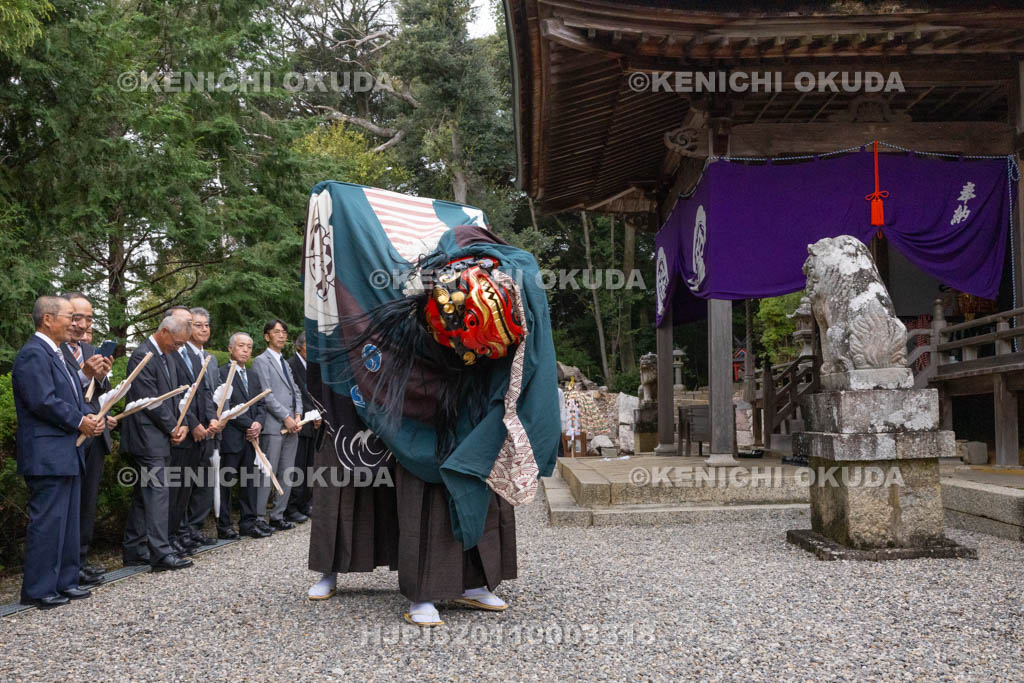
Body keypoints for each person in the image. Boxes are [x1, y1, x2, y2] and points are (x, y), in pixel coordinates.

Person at [301, 182, 559, 627]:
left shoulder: (503, 267)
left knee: (474, 483)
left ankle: (476, 583)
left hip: (467, 404)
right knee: (391, 488)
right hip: (417, 408)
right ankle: (419, 592)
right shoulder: (421, 287)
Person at [13, 295, 108, 609]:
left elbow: (71, 396)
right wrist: (80, 421)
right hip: (47, 453)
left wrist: (90, 416)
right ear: (48, 319)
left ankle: (66, 581)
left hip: (66, 452)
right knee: (49, 522)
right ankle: (39, 589)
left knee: (68, 522)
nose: (76, 323)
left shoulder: (56, 353)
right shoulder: (33, 353)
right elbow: (43, 400)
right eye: (70, 316)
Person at [120, 315, 194, 572]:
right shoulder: (142, 355)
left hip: (161, 435)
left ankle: (134, 549)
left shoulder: (168, 355)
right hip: (146, 437)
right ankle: (160, 554)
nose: (178, 347)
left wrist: (183, 423)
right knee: (158, 492)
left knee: (146, 494)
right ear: (163, 332)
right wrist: (173, 426)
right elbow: (149, 400)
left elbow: (176, 396)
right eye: (177, 342)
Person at [60, 292, 113, 587]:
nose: (82, 325)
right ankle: (67, 565)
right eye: (77, 317)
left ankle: (81, 558)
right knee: (70, 503)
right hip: (71, 436)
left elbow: (99, 392)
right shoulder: (56, 350)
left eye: (88, 319)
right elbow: (60, 394)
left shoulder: (90, 349)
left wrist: (102, 376)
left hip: (96, 434)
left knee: (88, 500)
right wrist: (84, 373)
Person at [252, 319, 302, 531]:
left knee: (287, 472)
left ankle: (277, 515)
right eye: (276, 332)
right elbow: (266, 395)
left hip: (293, 426)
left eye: (284, 332)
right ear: (267, 336)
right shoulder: (261, 361)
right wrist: (285, 417)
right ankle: (258, 518)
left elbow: (295, 390)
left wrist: (298, 415)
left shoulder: (285, 362)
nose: (282, 335)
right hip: (273, 427)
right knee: (267, 473)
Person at [216, 332, 267, 539]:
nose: (245, 350)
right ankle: (224, 526)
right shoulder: (221, 373)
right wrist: (249, 424)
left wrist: (259, 424)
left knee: (250, 482)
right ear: (230, 348)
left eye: (249, 346)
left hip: (251, 438)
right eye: (241, 346)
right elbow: (226, 406)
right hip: (231, 437)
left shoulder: (253, 376)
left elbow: (261, 403)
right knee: (226, 483)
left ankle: (248, 523)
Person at [183, 307, 221, 545]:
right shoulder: (182, 354)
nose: (204, 329)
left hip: (210, 427)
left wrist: (216, 418)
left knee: (205, 482)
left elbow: (212, 393)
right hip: (189, 428)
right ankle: (182, 531)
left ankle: (195, 528)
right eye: (198, 325)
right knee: (186, 482)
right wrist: (194, 423)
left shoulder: (211, 358)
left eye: (207, 325)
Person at [284, 332, 321, 523]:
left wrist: (318, 414)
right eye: (309, 345)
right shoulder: (290, 365)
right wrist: (308, 414)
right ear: (300, 346)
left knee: (309, 466)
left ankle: (306, 502)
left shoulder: (314, 366)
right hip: (298, 421)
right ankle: (291, 506)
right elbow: (294, 394)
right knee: (297, 466)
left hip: (314, 422)